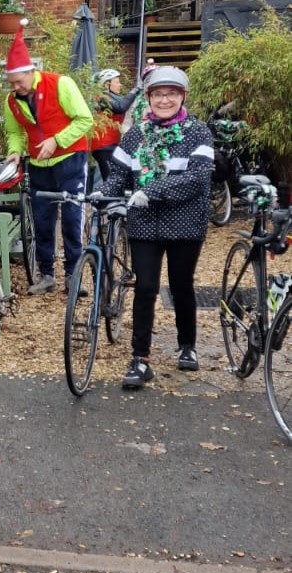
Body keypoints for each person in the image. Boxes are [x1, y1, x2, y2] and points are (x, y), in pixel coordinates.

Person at [93, 66, 214, 389]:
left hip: (186, 222)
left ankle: (187, 344)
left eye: (171, 93)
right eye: (158, 94)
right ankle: (140, 358)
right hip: (144, 223)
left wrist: (153, 191)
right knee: (145, 287)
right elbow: (119, 174)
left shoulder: (197, 132)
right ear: (148, 98)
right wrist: (103, 194)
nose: (164, 100)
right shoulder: (135, 135)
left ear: (182, 96)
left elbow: (198, 177)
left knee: (180, 285)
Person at [3, 22, 93, 295]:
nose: (17, 87)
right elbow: (16, 132)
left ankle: (73, 275)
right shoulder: (11, 101)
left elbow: (85, 119)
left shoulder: (61, 84)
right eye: (12, 83)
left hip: (70, 161)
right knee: (41, 220)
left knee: (71, 218)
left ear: (32, 71)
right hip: (40, 166)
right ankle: (46, 275)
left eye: (20, 81)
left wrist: (57, 140)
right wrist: (15, 151)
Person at [90, 68, 140, 182]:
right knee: (111, 180)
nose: (120, 85)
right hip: (103, 145)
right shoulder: (101, 97)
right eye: (117, 82)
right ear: (107, 84)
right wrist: (135, 90)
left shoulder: (112, 97)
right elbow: (121, 107)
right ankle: (107, 199)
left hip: (110, 144)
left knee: (115, 178)